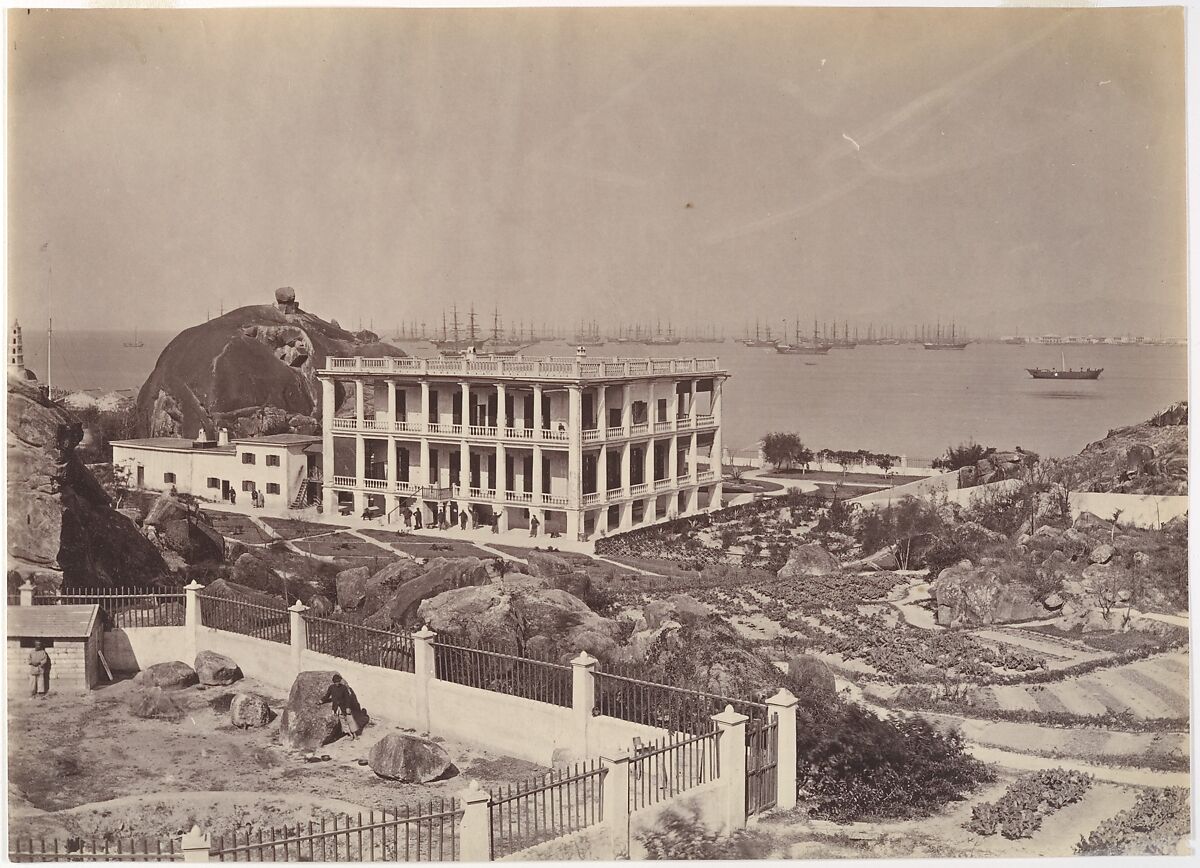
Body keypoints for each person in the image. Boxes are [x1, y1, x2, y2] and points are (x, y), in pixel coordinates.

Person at [320, 674, 362, 740]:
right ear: (333, 681)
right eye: (336, 681)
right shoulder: (331, 687)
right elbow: (327, 696)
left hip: (345, 707)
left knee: (350, 720)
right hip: (337, 708)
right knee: (343, 722)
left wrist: (348, 707)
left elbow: (347, 698)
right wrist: (321, 700)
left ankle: (355, 734)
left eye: (338, 681)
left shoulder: (343, 688)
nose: (337, 683)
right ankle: (350, 734)